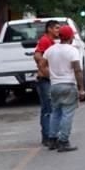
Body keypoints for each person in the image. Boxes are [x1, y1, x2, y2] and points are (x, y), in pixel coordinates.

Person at [43, 24, 85, 152]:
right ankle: (63, 141)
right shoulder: (72, 51)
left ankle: (52, 140)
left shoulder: (50, 50)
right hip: (68, 86)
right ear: (70, 37)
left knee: (55, 113)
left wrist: (50, 75)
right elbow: (77, 70)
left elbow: (41, 64)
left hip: (54, 86)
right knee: (67, 114)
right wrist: (81, 88)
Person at [33, 20, 61, 148]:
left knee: (50, 108)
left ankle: (51, 135)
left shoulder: (51, 42)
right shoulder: (45, 40)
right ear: (49, 29)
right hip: (44, 80)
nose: (58, 30)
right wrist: (46, 70)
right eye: (56, 28)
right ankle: (47, 136)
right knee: (48, 109)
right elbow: (37, 56)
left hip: (48, 79)